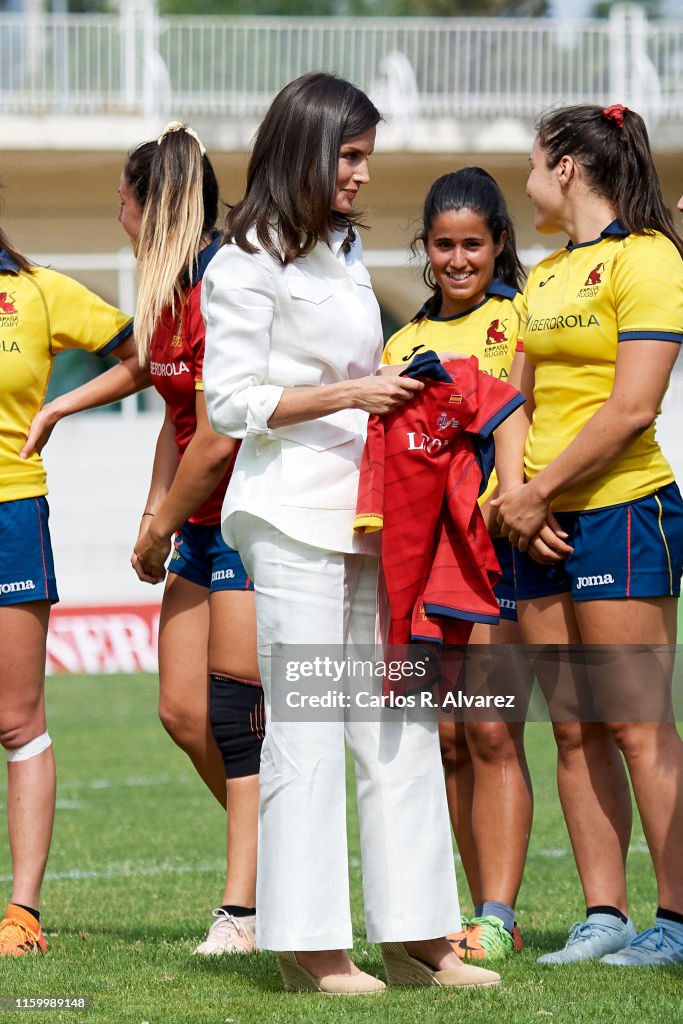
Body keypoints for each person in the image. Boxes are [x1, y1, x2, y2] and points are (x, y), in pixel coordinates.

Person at [201, 71, 502, 995]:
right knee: (306, 725)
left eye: (364, 156)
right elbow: (231, 402)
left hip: (376, 515)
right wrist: (356, 390)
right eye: (350, 155)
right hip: (289, 513)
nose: (363, 174)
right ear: (306, 148)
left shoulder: (340, 252)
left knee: (400, 717)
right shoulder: (242, 261)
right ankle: (308, 947)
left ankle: (418, 938)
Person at [23, 125, 264, 955]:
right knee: (180, 711)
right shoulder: (165, 290)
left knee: (237, 720)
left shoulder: (223, 281)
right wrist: (64, 409)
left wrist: (160, 521)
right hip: (194, 519)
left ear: (150, 206)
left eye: (123, 202)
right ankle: (277, 859)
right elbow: (163, 392)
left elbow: (219, 435)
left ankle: (246, 905)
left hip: (242, 515)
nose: (118, 216)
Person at [494, 103, 683, 966]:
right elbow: (514, 399)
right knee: (572, 729)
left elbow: (633, 407)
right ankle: (602, 916)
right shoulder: (541, 274)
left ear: (565, 166)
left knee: (637, 723)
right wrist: (513, 497)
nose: (525, 179)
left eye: (533, 163)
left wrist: (539, 492)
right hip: (539, 518)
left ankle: (675, 924)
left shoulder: (648, 258)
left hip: (619, 512)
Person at [381, 167, 533, 962]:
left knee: (490, 729)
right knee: (442, 737)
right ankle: (459, 912)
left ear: (498, 243)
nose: (457, 259)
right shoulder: (401, 344)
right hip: (427, 562)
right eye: (443, 245)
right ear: (426, 249)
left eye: (472, 243)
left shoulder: (521, 318)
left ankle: (498, 915)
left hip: (496, 553)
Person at [0, 206, 135, 955]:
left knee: (16, 720)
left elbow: (149, 354)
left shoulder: (41, 291)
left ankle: (22, 916)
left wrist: (62, 403)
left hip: (11, 514)